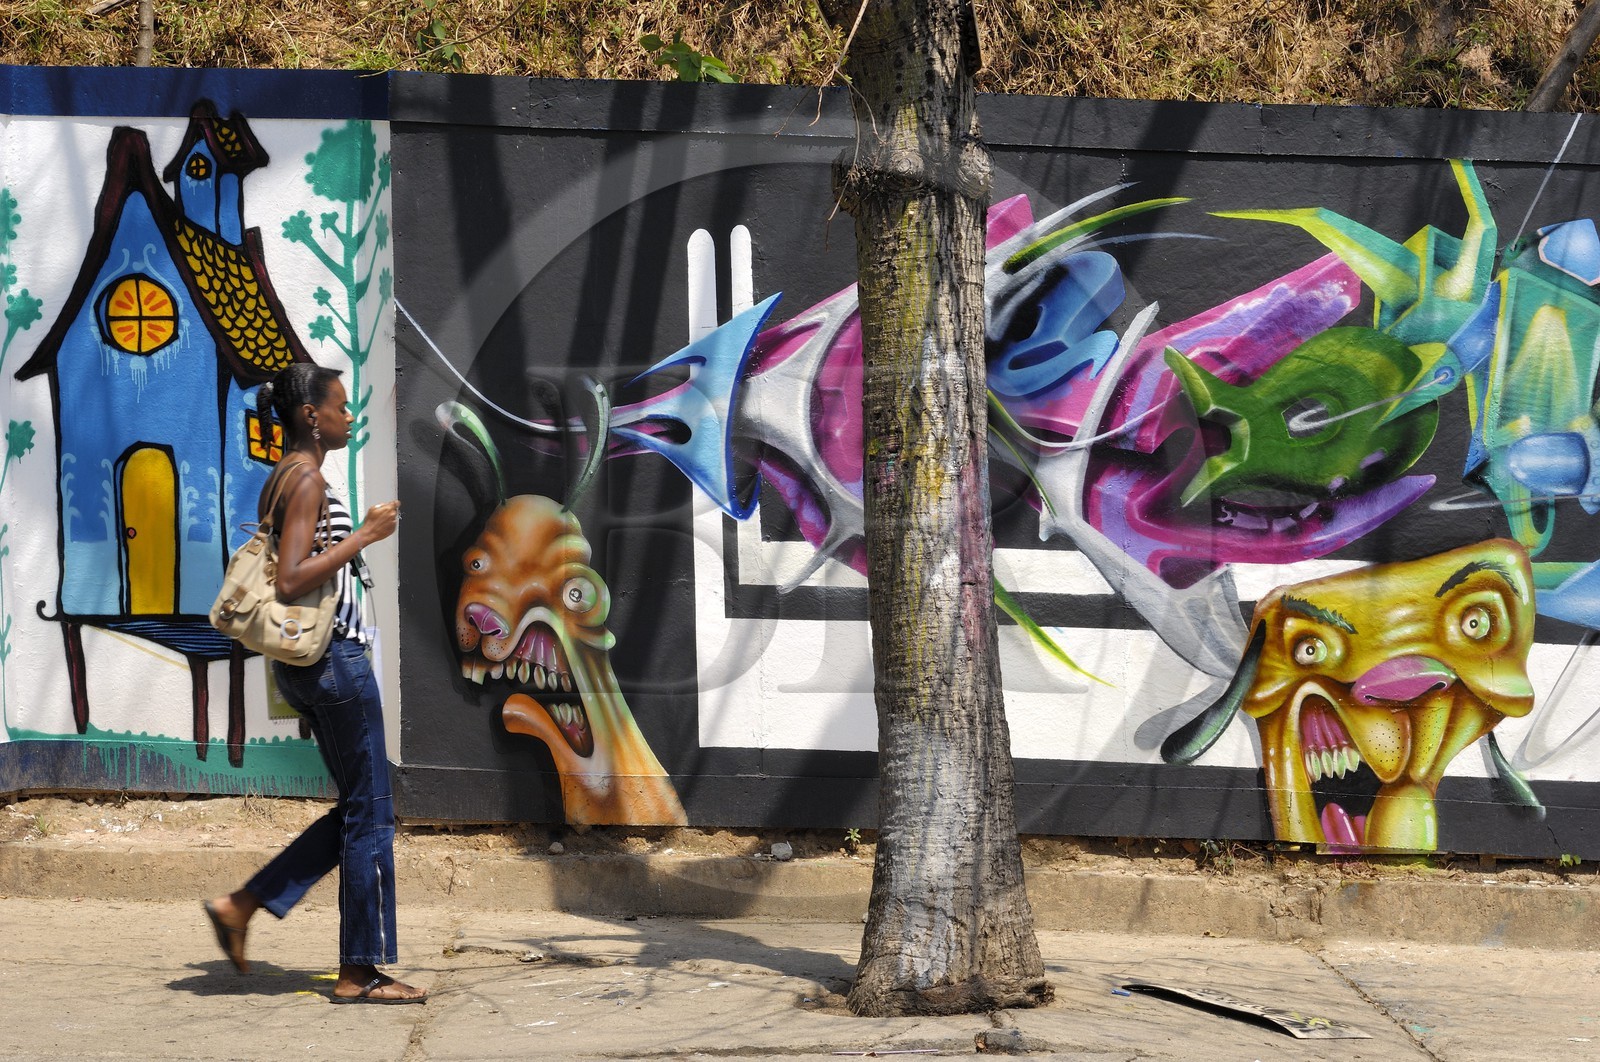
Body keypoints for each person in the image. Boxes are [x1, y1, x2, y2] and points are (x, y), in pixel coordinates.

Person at [204, 362, 425, 1004]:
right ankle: (360, 972)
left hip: (313, 665)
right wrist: (365, 536)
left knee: (364, 806)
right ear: (310, 416)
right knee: (373, 814)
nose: (348, 416)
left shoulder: (287, 477)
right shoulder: (305, 482)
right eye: (339, 406)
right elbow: (293, 579)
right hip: (333, 663)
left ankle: (244, 905)